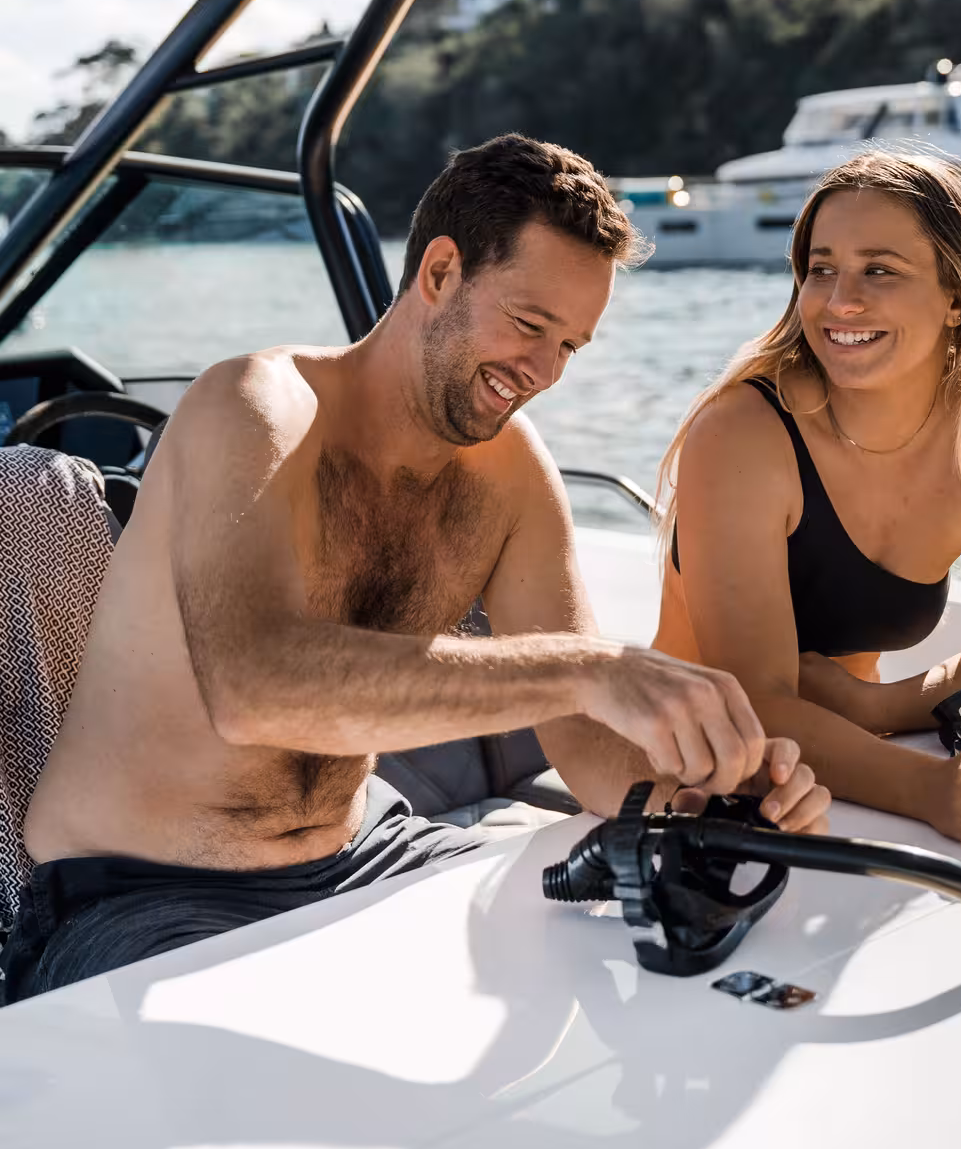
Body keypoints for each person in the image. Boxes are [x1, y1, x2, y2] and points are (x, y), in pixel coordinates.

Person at [3, 135, 827, 1003]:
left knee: (643, 976)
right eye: (530, 325)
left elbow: (588, 755)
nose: (544, 372)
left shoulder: (509, 473)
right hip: (135, 893)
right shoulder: (254, 406)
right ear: (439, 273)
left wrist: (719, 794)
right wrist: (586, 670)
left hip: (363, 851)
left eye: (571, 348)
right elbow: (252, 688)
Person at [653, 148, 961, 847]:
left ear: (957, 298)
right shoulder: (744, 433)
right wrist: (926, 786)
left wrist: (878, 705)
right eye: (822, 269)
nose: (840, 301)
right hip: (691, 778)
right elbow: (754, 704)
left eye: (879, 270)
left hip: (851, 770)